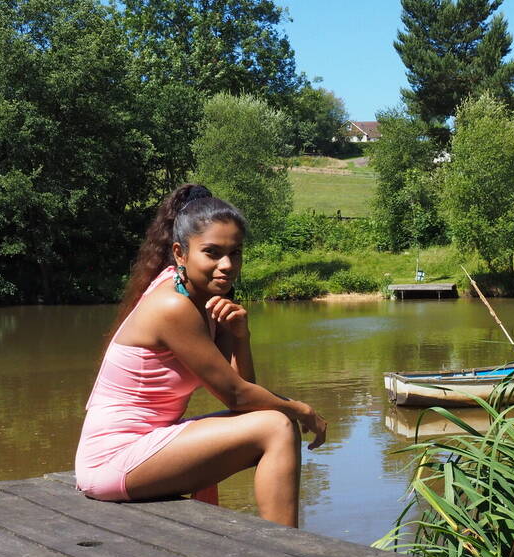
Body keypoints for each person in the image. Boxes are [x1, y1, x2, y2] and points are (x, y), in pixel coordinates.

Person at [75, 183, 327, 527]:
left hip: (145, 446)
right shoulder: (171, 305)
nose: (226, 265)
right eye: (212, 252)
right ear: (180, 253)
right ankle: (287, 551)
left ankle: (283, 544)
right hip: (111, 460)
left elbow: (243, 394)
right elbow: (238, 396)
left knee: (275, 423)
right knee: (278, 425)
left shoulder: (204, 299)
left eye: (234, 253)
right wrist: (303, 409)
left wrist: (240, 336)